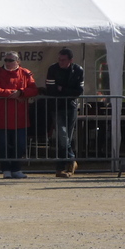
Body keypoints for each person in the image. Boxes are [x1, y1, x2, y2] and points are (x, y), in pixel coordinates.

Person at [0, 51, 38, 179]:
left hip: (20, 117)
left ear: (18, 61)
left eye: (10, 60)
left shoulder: (25, 73)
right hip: (2, 116)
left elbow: (33, 90)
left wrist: (21, 92)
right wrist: (14, 94)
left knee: (20, 145)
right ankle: (5, 169)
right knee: (3, 145)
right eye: (6, 60)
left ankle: (16, 169)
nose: (8, 63)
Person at [45, 47, 84, 178]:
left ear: (70, 60)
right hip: (56, 107)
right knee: (63, 136)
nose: (60, 62)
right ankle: (71, 160)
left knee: (68, 137)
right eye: (59, 59)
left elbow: (79, 91)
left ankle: (61, 167)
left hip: (71, 107)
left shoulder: (78, 70)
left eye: (63, 60)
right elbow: (51, 89)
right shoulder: (53, 69)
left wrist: (62, 89)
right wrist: (67, 91)